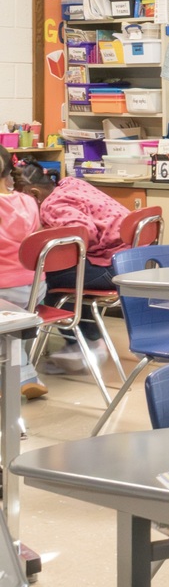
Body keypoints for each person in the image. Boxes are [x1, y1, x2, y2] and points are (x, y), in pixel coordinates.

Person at [16, 160, 130, 373]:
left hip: (111, 266)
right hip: (129, 259)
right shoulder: (70, 184)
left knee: (46, 280)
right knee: (66, 275)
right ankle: (89, 339)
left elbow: (83, 233)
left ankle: (80, 344)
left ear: (34, 193)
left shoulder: (52, 205)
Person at [0, 148, 48, 399]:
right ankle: (25, 375)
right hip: (35, 289)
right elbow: (36, 242)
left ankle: (18, 376)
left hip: (5, 292)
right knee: (9, 321)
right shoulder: (28, 200)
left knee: (4, 316)